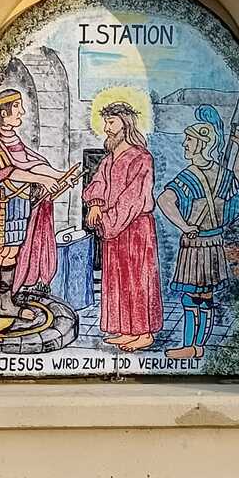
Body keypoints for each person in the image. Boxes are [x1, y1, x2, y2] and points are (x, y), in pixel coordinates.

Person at [0, 89, 68, 335]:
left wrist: (57, 175)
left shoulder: (13, 138)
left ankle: (5, 304)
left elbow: (29, 162)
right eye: (17, 107)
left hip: (19, 203)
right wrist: (42, 179)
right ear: (3, 112)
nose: (22, 112)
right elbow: (3, 172)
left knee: (11, 254)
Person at [157, 105, 239, 360]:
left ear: (202, 145)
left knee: (193, 297)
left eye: (189, 140)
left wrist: (185, 227)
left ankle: (192, 346)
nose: (185, 144)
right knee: (204, 296)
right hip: (211, 243)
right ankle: (197, 347)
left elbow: (164, 200)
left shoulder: (190, 176)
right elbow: (237, 178)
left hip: (197, 244)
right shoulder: (217, 174)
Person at [82, 102, 163, 351]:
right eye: (105, 122)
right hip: (114, 228)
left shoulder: (141, 158)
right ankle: (126, 330)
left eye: (111, 122)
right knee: (117, 279)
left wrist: (108, 221)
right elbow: (97, 184)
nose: (106, 128)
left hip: (135, 228)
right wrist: (95, 205)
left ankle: (144, 333)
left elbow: (134, 197)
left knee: (137, 279)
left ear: (125, 124)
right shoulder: (109, 159)